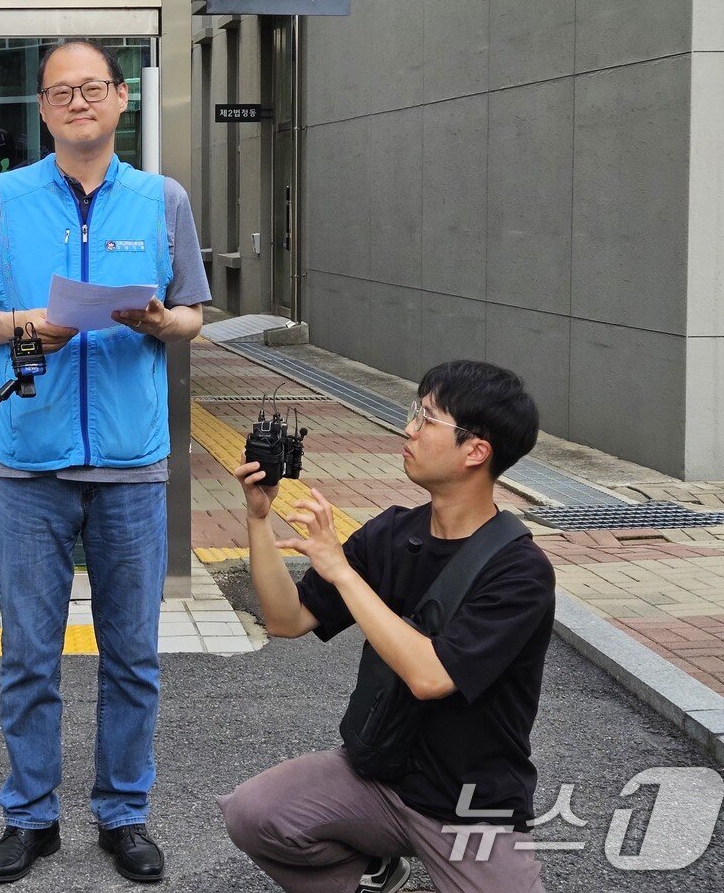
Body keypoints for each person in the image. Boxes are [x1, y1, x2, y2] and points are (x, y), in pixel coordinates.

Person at [0, 38, 210, 884]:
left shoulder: (162, 199)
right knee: (30, 653)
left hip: (133, 463)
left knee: (131, 654)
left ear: (121, 99)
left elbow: (194, 315)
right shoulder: (2, 197)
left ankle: (124, 814)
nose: (77, 102)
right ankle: (30, 818)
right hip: (29, 462)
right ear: (42, 107)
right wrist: (23, 325)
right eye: (60, 92)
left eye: (91, 88)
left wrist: (162, 324)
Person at [219, 361, 553, 893]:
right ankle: (372, 869)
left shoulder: (519, 571)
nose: (408, 430)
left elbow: (430, 675)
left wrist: (341, 571)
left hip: (468, 801)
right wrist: (258, 518)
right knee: (254, 813)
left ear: (476, 451)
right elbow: (287, 620)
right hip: (378, 775)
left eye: (426, 418)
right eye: (413, 413)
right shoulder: (395, 532)